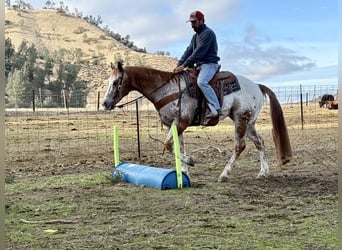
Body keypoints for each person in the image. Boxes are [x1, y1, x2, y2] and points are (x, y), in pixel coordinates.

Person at [174, 10, 222, 118]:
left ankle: (216, 107)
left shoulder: (208, 34)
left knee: (202, 82)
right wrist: (178, 64)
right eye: (191, 23)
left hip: (209, 64)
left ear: (201, 21)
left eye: (194, 22)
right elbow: (188, 51)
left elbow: (198, 53)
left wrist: (184, 65)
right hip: (199, 66)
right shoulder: (195, 36)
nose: (192, 25)